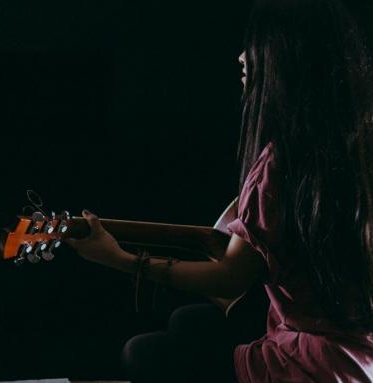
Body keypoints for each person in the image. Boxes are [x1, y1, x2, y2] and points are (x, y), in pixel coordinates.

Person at [66, 0, 373, 381]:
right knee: (188, 321)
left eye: (258, 43)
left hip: (315, 364)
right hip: (363, 354)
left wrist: (116, 257)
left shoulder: (286, 165)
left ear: (288, 56)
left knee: (142, 353)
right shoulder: (358, 147)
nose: (242, 57)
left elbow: (229, 279)